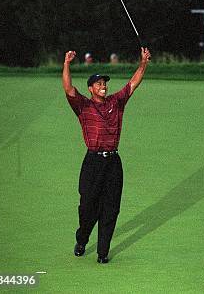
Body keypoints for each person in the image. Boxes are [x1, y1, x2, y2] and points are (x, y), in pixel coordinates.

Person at [62, 47, 151, 264]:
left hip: (113, 162)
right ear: (91, 88)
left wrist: (143, 63)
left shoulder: (116, 102)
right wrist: (66, 64)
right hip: (92, 162)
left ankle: (103, 252)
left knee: (111, 208)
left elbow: (133, 83)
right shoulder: (83, 106)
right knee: (87, 208)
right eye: (99, 84)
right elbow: (68, 88)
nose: (103, 86)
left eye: (104, 84)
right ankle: (82, 239)